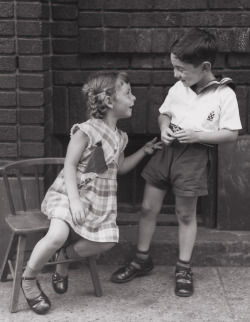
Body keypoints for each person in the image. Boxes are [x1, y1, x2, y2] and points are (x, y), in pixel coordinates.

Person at [111, 28, 242, 297]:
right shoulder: (178, 88)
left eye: (181, 69)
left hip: (194, 157)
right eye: (174, 68)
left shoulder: (224, 95)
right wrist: (164, 128)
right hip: (166, 151)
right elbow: (164, 114)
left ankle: (183, 267)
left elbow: (231, 134)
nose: (176, 74)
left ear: (204, 67)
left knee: (185, 214)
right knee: (148, 208)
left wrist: (199, 135)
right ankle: (141, 258)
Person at [21, 71, 162, 315]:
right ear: (109, 101)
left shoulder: (120, 137)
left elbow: (119, 168)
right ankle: (29, 280)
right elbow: (69, 165)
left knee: (107, 240)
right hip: (70, 194)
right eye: (128, 93)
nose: (134, 97)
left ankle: (63, 257)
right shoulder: (85, 130)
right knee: (56, 235)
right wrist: (74, 201)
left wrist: (144, 152)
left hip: (99, 200)